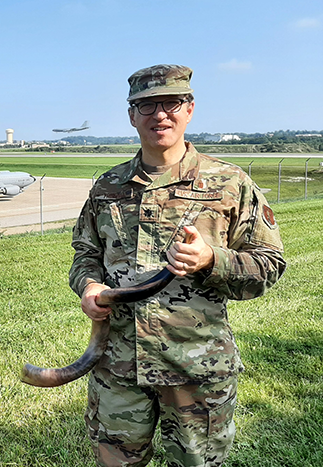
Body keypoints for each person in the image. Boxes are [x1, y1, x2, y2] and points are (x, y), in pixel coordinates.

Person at [68, 64, 286, 467]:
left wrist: (211, 260)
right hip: (118, 367)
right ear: (131, 114)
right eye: (146, 105)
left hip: (196, 369)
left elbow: (268, 265)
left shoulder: (229, 183)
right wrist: (89, 286)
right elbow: (85, 254)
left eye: (171, 102)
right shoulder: (107, 187)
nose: (159, 114)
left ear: (190, 109)